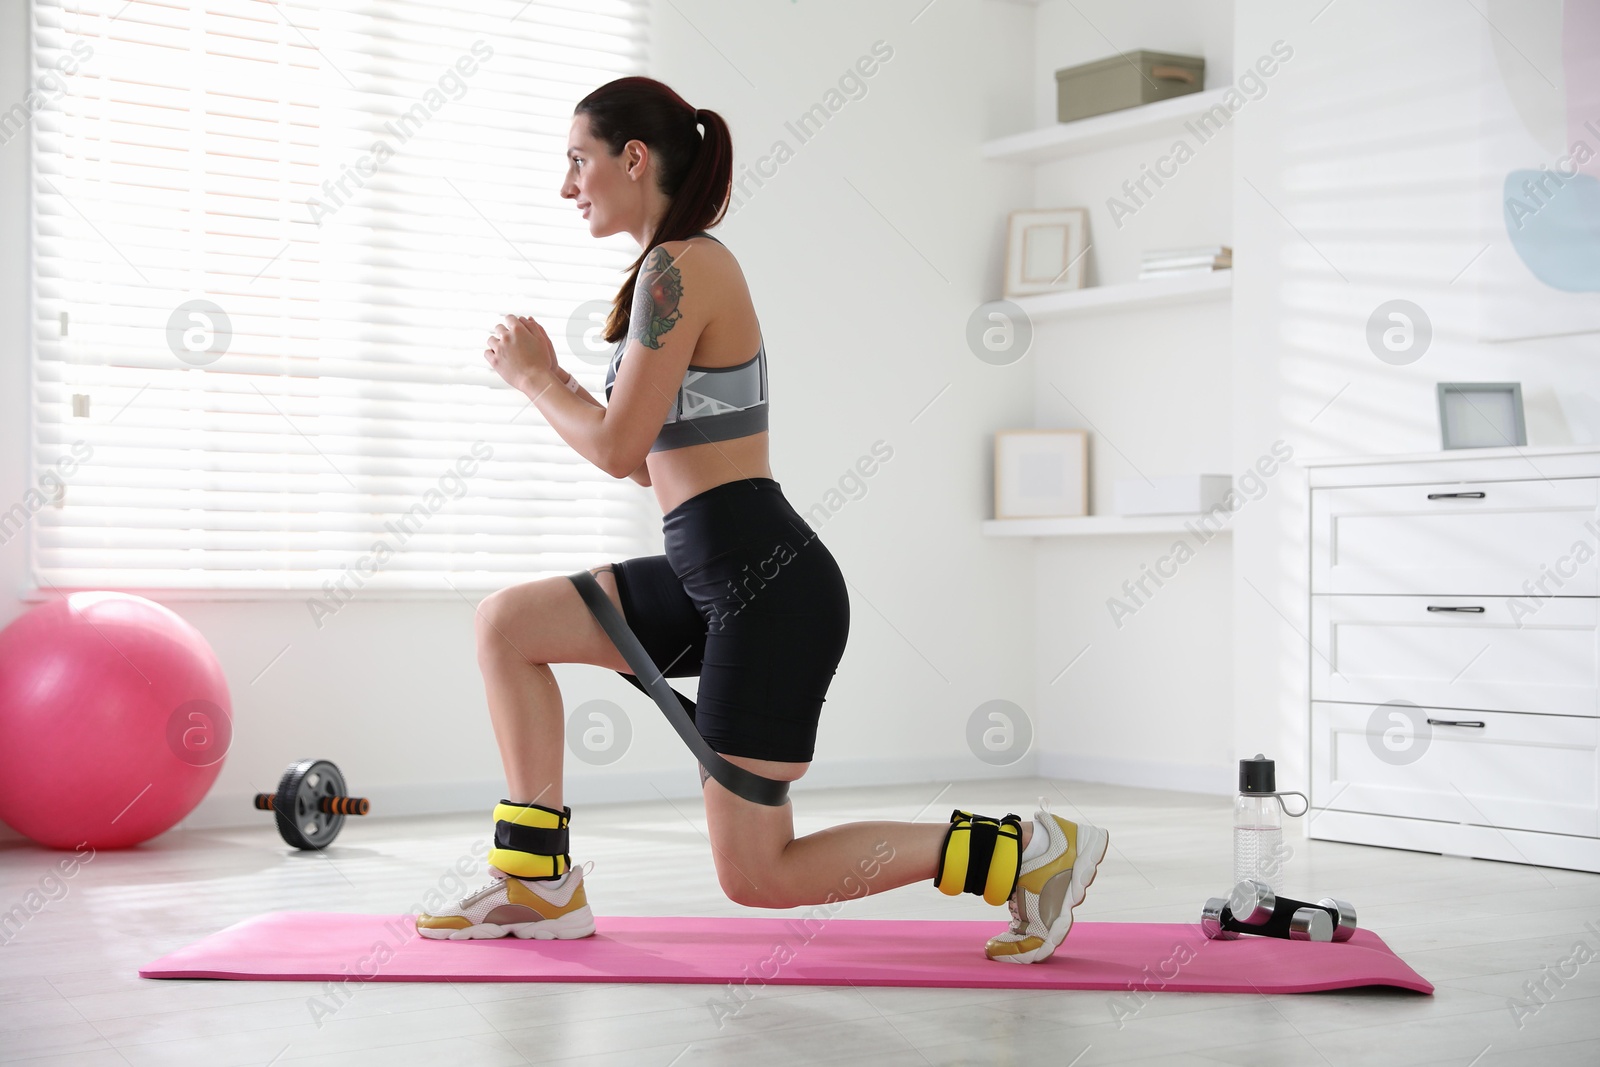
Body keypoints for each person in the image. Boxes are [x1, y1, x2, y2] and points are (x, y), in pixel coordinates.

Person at [415, 76, 1109, 964]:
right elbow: (643, 461)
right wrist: (564, 390)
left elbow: (618, 445)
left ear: (633, 158)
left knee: (757, 873)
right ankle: (534, 883)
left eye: (577, 160)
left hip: (765, 586)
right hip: (716, 569)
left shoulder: (683, 266)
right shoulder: (669, 272)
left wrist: (534, 376)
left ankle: (1025, 855)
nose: (567, 185)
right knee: (507, 624)